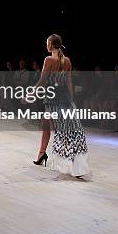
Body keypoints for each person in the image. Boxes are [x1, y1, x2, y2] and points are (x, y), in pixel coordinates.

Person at [32, 34, 90, 178]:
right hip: (64, 97)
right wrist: (71, 100)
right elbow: (69, 83)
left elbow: (43, 80)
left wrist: (31, 92)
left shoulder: (49, 60)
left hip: (53, 97)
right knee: (48, 125)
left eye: (47, 42)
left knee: (59, 129)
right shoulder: (67, 61)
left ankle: (67, 161)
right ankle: (41, 155)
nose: (46, 44)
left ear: (51, 44)